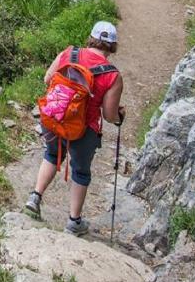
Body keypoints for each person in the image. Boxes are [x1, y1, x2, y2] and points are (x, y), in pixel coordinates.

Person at [25, 21, 125, 236]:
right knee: (81, 171)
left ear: (91, 38)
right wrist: (120, 116)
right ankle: (73, 221)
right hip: (83, 129)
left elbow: (48, 79)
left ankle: (35, 196)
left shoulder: (69, 53)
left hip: (55, 116)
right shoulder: (113, 76)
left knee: (52, 155)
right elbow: (109, 115)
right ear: (113, 46)